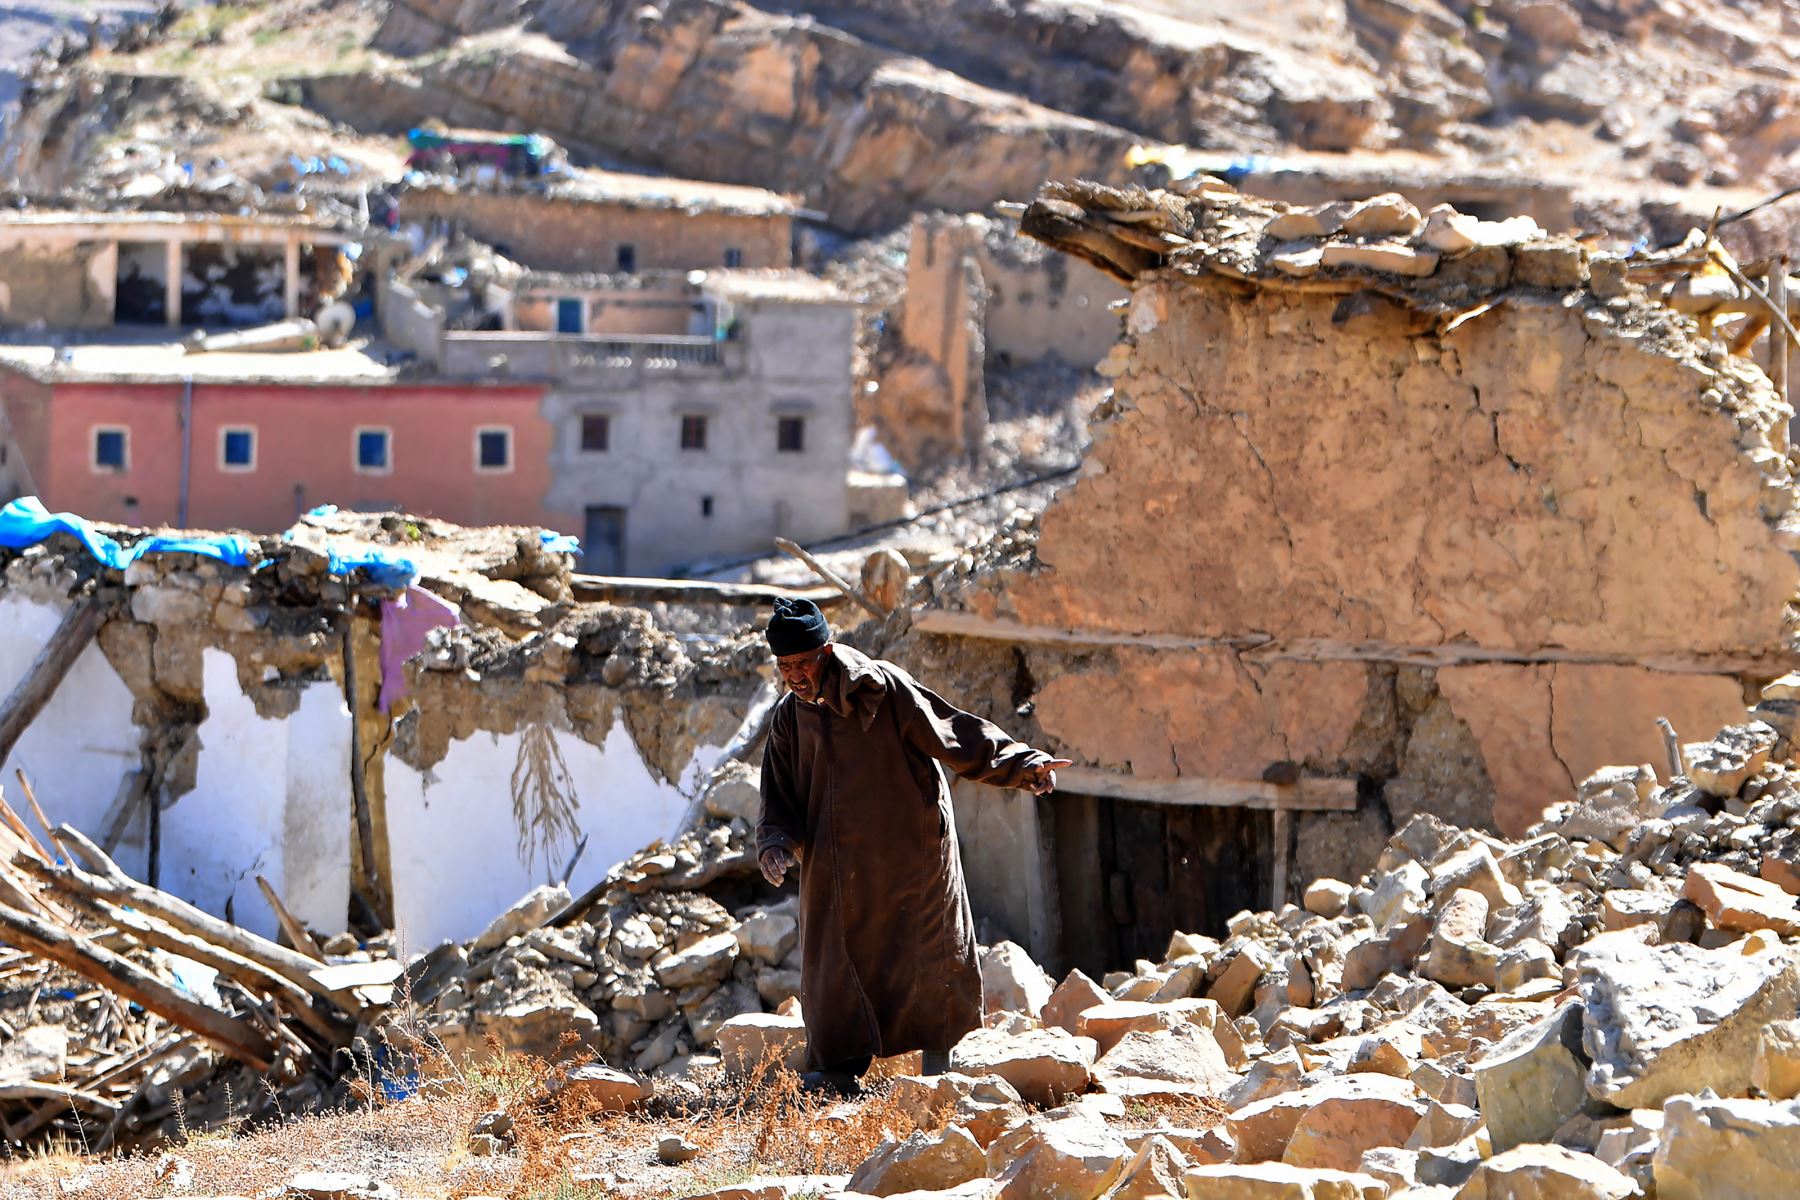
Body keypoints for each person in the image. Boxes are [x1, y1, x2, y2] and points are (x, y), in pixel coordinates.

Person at [756, 597, 1070, 1094]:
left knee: (929, 952)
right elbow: (778, 797)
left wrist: (1022, 765)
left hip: (911, 849)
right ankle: (838, 1070)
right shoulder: (789, 719)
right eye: (785, 666)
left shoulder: (881, 688)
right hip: (837, 865)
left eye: (803, 663)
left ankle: (945, 1070)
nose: (795, 675)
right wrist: (774, 842)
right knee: (834, 962)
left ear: (828, 650)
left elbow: (953, 731)